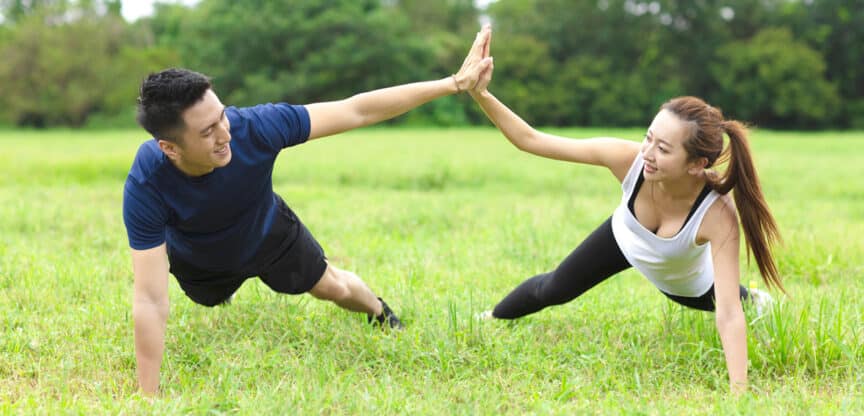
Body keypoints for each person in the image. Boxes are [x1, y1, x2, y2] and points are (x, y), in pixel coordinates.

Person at [124, 26, 493, 395]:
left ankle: (381, 313)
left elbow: (357, 110)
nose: (225, 133)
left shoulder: (255, 127)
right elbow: (150, 299)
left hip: (268, 233)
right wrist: (148, 398)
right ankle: (225, 290)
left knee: (333, 286)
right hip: (202, 261)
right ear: (169, 148)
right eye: (207, 132)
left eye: (222, 116)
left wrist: (452, 84)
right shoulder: (147, 182)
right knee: (210, 298)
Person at [468, 39, 781, 393]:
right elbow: (531, 140)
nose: (648, 153)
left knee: (733, 301)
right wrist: (481, 94)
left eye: (663, 149)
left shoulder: (717, 214)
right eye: (649, 138)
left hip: (683, 282)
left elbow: (728, 315)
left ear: (697, 164)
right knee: (553, 288)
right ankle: (491, 316)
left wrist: (739, 394)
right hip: (623, 239)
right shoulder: (628, 159)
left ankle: (756, 300)